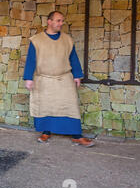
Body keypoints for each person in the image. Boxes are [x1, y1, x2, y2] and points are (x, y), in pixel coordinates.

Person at [23, 11, 94, 147]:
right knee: (46, 107)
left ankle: (77, 136)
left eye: (62, 21)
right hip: (44, 79)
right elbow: (31, 60)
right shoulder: (36, 40)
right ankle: (46, 132)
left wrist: (77, 75)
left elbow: (73, 58)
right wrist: (28, 78)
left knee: (70, 106)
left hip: (64, 79)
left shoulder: (67, 39)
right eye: (58, 20)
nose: (61, 23)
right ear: (49, 22)